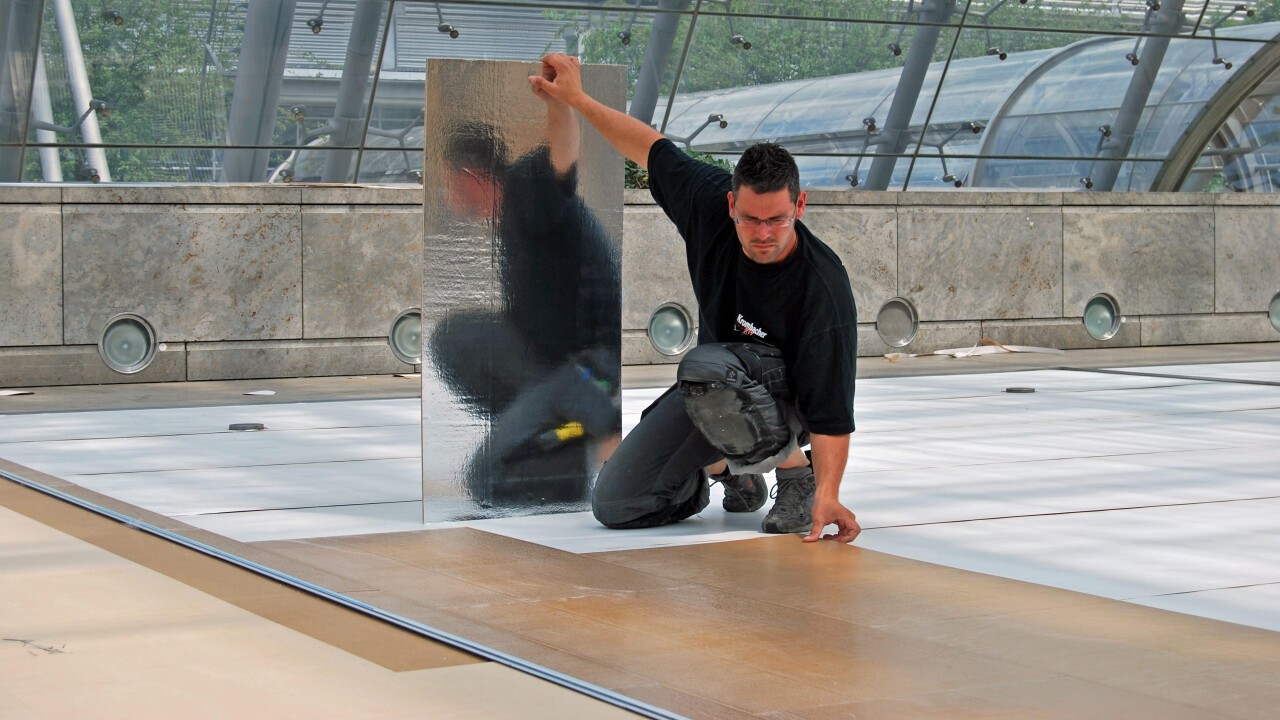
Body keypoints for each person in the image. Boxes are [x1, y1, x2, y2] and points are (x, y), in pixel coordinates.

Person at [529, 53, 861, 543]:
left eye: (777, 219)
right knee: (616, 502)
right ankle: (727, 470)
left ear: (800, 206)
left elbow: (832, 414)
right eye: (750, 218)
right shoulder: (707, 202)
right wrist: (576, 100)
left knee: (706, 367)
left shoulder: (822, 289)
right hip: (717, 389)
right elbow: (646, 146)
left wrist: (829, 491)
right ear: (731, 204)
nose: (763, 233)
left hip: (785, 405)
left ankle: (796, 476)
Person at [428, 80, 621, 510]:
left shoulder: (528, 190)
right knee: (454, 338)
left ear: (470, 177)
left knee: (487, 480)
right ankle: (549, 432)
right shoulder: (507, 220)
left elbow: (563, 159)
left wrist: (561, 103)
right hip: (550, 359)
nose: (446, 194)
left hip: (590, 369)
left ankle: (575, 442)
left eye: (448, 183)